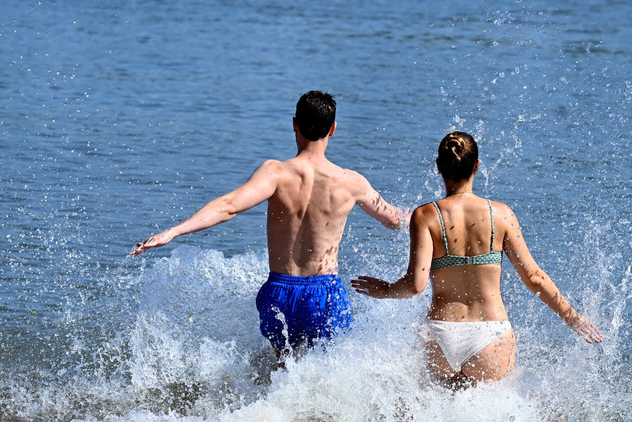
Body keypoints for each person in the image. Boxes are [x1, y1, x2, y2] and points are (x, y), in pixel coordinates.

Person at [131, 91, 404, 358]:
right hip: (324, 295)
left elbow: (229, 206)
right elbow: (392, 219)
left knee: (283, 373)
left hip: (279, 293)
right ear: (332, 129)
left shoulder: (276, 174)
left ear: (294, 124)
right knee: (327, 373)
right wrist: (426, 212)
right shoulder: (351, 182)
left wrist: (174, 230)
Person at [352, 131, 601, 386]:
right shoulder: (501, 214)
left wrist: (385, 290)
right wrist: (573, 317)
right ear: (477, 166)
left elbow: (415, 285)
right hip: (491, 336)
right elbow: (534, 278)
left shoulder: (425, 215)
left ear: (438, 167)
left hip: (440, 334)